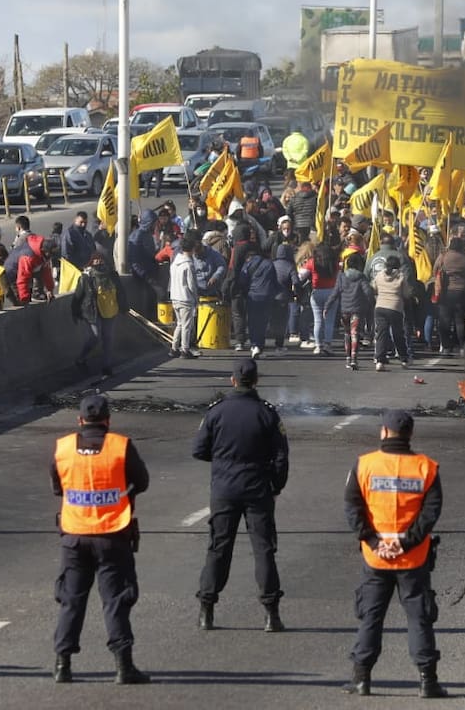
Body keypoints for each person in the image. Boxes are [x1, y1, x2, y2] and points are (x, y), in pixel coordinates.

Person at [342, 410, 447, 699]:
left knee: (371, 617)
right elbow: (431, 513)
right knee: (419, 618)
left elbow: (353, 507)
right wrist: (406, 543)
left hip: (375, 558)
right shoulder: (427, 467)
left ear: (384, 432)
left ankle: (362, 679)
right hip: (413, 559)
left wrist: (374, 541)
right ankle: (428, 681)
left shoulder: (365, 465)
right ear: (410, 434)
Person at [50, 394, 152, 685]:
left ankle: (62, 665)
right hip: (112, 535)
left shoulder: (64, 447)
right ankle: (124, 666)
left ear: (80, 420)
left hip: (75, 536)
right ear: (108, 420)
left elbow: (58, 486)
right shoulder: (120, 446)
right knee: (115, 601)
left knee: (71, 600)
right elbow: (141, 482)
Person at [193, 358, 289, 633]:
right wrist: (276, 485)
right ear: (256, 380)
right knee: (264, 549)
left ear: (232, 380)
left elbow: (199, 450)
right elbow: (281, 457)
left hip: (224, 488)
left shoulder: (216, 411)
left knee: (218, 548)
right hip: (258, 488)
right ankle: (272, 614)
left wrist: (223, 460)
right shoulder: (267, 413)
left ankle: (206, 610)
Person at [72, 251, 128, 377]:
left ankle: (107, 367)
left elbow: (120, 291)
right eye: (96, 260)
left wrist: (124, 306)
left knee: (108, 339)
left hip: (111, 310)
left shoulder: (112, 275)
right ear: (91, 262)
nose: (99, 263)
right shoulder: (86, 277)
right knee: (95, 337)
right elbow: (78, 296)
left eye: (101, 260)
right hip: (93, 312)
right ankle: (81, 358)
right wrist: (75, 313)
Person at [326, 250, 375, 370]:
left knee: (347, 334)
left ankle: (348, 358)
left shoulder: (342, 277)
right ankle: (354, 358)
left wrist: (327, 306)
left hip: (344, 310)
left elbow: (335, 293)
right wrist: (373, 303)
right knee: (355, 334)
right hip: (357, 310)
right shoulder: (361, 277)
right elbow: (368, 292)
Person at [371, 255, 413, 371]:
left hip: (380, 307)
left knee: (381, 334)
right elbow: (406, 294)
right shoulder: (401, 277)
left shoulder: (379, 275)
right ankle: (404, 359)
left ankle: (379, 360)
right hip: (395, 308)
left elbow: (373, 288)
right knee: (398, 334)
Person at [169, 233, 201, 359]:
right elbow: (192, 285)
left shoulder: (175, 262)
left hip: (175, 296)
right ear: (192, 249)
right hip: (185, 297)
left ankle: (174, 348)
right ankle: (185, 349)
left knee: (180, 324)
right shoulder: (189, 264)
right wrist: (196, 298)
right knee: (187, 325)